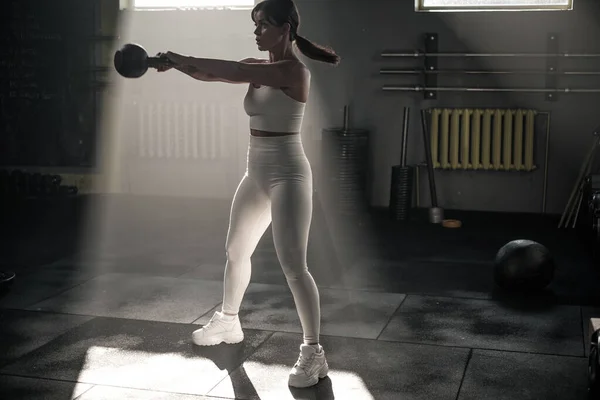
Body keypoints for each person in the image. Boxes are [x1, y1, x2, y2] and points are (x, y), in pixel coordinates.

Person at [157, 0, 340, 389]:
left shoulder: (293, 71)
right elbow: (212, 74)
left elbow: (233, 69)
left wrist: (181, 55)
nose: (255, 32)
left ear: (285, 28)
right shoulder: (259, 69)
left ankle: (313, 353)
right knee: (236, 251)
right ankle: (228, 322)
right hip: (255, 172)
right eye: (254, 24)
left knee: (294, 266)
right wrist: (174, 64)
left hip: (288, 174)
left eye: (262, 25)